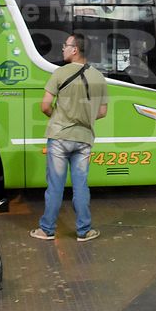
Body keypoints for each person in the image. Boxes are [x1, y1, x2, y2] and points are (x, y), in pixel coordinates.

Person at [31, 33, 108, 242]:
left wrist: (57, 115)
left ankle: (47, 230)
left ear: (75, 50)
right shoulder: (99, 77)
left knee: (55, 185)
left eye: (65, 46)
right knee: (80, 185)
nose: (63, 49)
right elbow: (102, 112)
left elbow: (45, 105)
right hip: (84, 139)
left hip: (59, 136)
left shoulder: (60, 73)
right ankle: (84, 231)